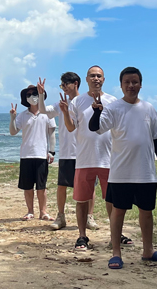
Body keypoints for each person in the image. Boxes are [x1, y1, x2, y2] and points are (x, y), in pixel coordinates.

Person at [88, 67, 157, 269]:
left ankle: (148, 250)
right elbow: (95, 128)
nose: (131, 85)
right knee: (118, 212)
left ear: (141, 84)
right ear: (121, 85)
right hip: (121, 172)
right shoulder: (114, 108)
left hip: (145, 171)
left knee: (147, 212)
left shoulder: (148, 108)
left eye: (135, 82)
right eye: (127, 82)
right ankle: (116, 252)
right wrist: (96, 112)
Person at [60, 65, 126, 252]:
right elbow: (71, 127)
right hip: (84, 159)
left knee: (112, 201)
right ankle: (82, 236)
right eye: (92, 76)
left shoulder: (113, 101)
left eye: (99, 76)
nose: (96, 78)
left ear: (103, 79)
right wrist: (64, 113)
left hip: (109, 159)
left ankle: (116, 235)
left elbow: (119, 128)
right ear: (86, 79)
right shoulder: (77, 101)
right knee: (82, 200)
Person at [37, 72, 90, 231]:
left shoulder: (85, 101)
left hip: (84, 151)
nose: (64, 88)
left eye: (65, 84)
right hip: (67, 151)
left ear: (75, 83)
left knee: (88, 186)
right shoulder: (60, 104)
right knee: (62, 185)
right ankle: (61, 216)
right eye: (62, 85)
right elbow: (43, 111)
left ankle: (89, 217)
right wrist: (41, 95)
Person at [9, 83, 56, 221]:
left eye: (34, 94)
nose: (32, 97)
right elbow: (13, 132)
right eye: (28, 95)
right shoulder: (23, 115)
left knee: (41, 187)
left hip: (41, 155)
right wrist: (12, 118)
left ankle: (43, 212)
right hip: (26, 155)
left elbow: (52, 134)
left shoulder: (47, 113)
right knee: (28, 187)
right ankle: (30, 211)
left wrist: (52, 151)